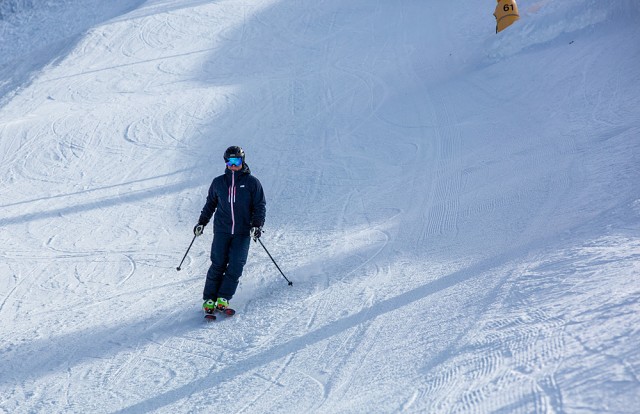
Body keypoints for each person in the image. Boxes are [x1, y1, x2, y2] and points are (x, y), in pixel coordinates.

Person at [193, 146, 266, 315]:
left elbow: (259, 206)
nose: (233, 165)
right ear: (225, 162)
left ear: (243, 161)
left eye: (237, 161)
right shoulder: (218, 182)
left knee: (236, 265)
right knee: (218, 263)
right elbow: (210, 204)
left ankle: (223, 297)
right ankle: (209, 299)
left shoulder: (252, 183)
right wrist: (201, 222)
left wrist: (257, 226)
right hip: (222, 230)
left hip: (242, 231)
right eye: (230, 161)